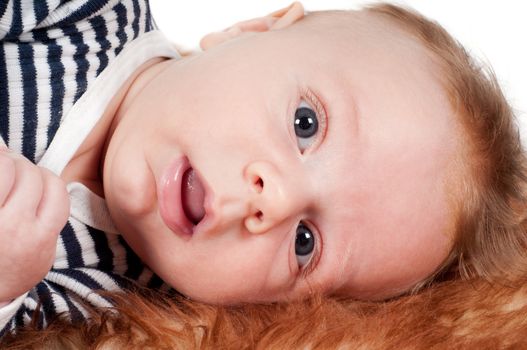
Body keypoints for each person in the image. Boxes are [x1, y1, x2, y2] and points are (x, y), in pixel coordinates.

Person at [1, 0, 526, 335]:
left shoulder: (111, 307)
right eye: (305, 123)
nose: (272, 199)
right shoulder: (85, 18)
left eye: (306, 243)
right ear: (248, 29)